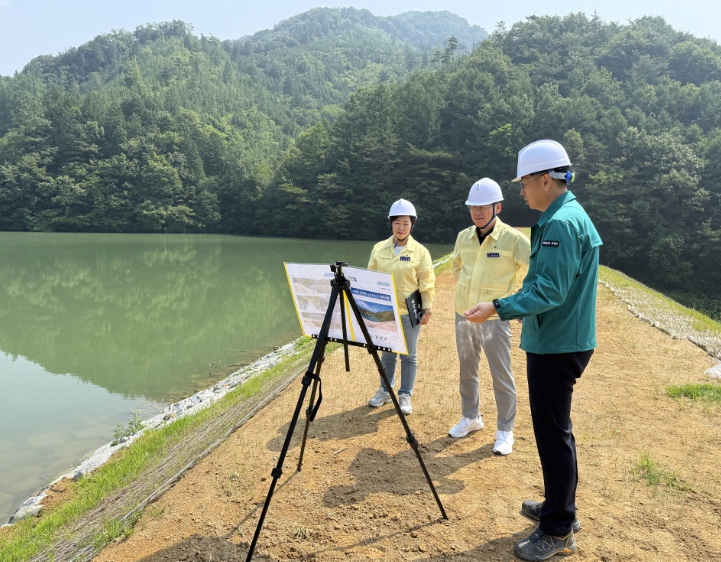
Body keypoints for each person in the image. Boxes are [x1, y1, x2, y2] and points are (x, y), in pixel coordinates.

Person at [464, 139, 602, 561]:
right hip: (562, 338)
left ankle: (558, 529)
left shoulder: (561, 223)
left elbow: (549, 290)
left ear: (545, 180)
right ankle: (559, 506)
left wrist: (498, 306)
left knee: (552, 434)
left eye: (524, 182)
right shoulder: (564, 216)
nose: (521, 191)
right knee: (557, 430)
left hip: (557, 344)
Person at [448, 178, 530, 457]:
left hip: (495, 318)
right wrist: (466, 288)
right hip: (464, 314)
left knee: (501, 373)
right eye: (474, 207)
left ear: (498, 207)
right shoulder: (464, 237)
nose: (478, 212)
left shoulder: (514, 239)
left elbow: (536, 269)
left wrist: (515, 300)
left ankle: (505, 430)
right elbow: (456, 264)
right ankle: (471, 417)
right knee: (467, 368)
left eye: (484, 207)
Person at [367, 199, 435, 415]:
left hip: (408, 312)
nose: (401, 227)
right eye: (397, 222)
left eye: (406, 223)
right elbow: (370, 278)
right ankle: (385, 390)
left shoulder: (420, 252)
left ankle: (405, 394)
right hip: (384, 311)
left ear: (412, 224)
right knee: (387, 353)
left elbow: (426, 282)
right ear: (391, 224)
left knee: (408, 355)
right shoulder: (379, 249)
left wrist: (427, 308)